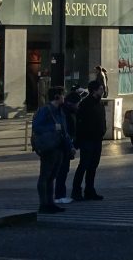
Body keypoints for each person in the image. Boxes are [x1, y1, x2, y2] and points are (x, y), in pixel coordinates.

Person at [32, 86, 72, 214]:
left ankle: (50, 202)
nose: (64, 97)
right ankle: (44, 204)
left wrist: (69, 146)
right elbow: (36, 126)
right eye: (62, 95)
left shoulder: (60, 111)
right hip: (49, 147)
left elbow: (64, 130)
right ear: (57, 97)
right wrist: (53, 129)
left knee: (52, 176)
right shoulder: (45, 110)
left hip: (59, 147)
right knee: (45, 176)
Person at [72, 80, 106, 201]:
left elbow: (102, 119)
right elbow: (80, 123)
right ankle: (76, 191)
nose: (103, 91)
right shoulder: (86, 104)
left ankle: (89, 190)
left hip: (97, 139)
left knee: (93, 166)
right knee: (84, 165)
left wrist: (103, 131)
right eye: (101, 89)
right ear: (94, 90)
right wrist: (79, 140)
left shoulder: (100, 103)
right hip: (87, 139)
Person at [54, 88, 82, 205]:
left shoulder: (68, 112)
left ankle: (60, 195)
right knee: (62, 170)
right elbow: (65, 131)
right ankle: (59, 195)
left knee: (63, 170)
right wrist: (70, 145)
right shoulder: (64, 113)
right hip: (63, 145)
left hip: (67, 144)